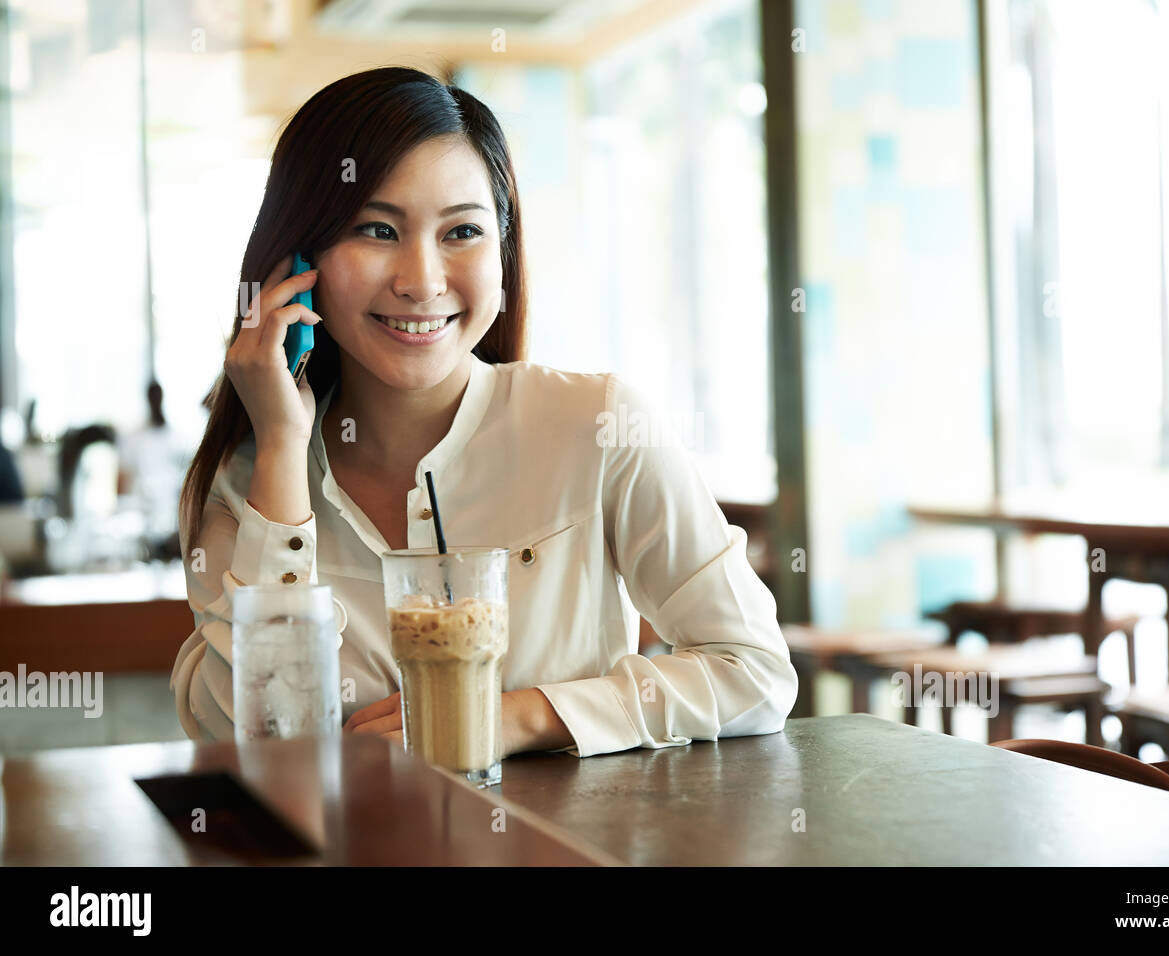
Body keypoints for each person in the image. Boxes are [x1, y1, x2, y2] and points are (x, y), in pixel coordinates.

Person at [170, 66, 797, 757]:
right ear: (298, 259)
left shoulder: (600, 426)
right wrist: (283, 453)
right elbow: (248, 740)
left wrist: (518, 717)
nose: (422, 282)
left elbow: (755, 673)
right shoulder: (244, 483)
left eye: (461, 232)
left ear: (502, 251)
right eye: (376, 230)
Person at [117, 381, 186, 559]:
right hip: (142, 518)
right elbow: (122, 481)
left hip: (169, 518)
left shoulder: (175, 437)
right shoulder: (134, 436)